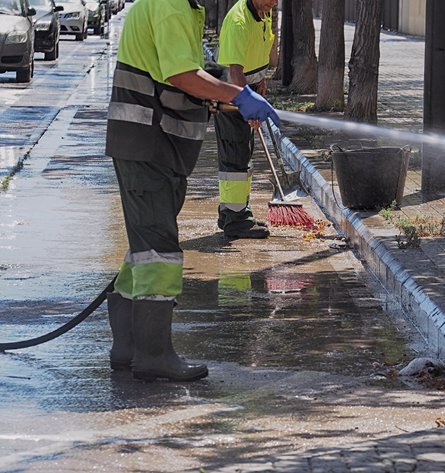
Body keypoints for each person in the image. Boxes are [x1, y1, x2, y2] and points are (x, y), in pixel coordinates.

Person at [104, 0, 279, 382]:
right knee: (159, 251)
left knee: (145, 250)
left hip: (151, 144)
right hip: (149, 142)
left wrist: (227, 87)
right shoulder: (171, 6)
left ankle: (128, 347)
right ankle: (154, 354)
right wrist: (236, 95)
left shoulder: (180, 7)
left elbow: (183, 71)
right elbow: (182, 75)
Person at [214, 0, 278, 240]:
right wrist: (248, 105)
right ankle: (236, 219)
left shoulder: (264, 12)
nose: (273, 2)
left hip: (245, 88)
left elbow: (257, 52)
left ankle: (232, 212)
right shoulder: (238, 20)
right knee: (235, 155)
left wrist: (260, 79)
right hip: (231, 91)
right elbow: (235, 71)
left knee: (242, 151)